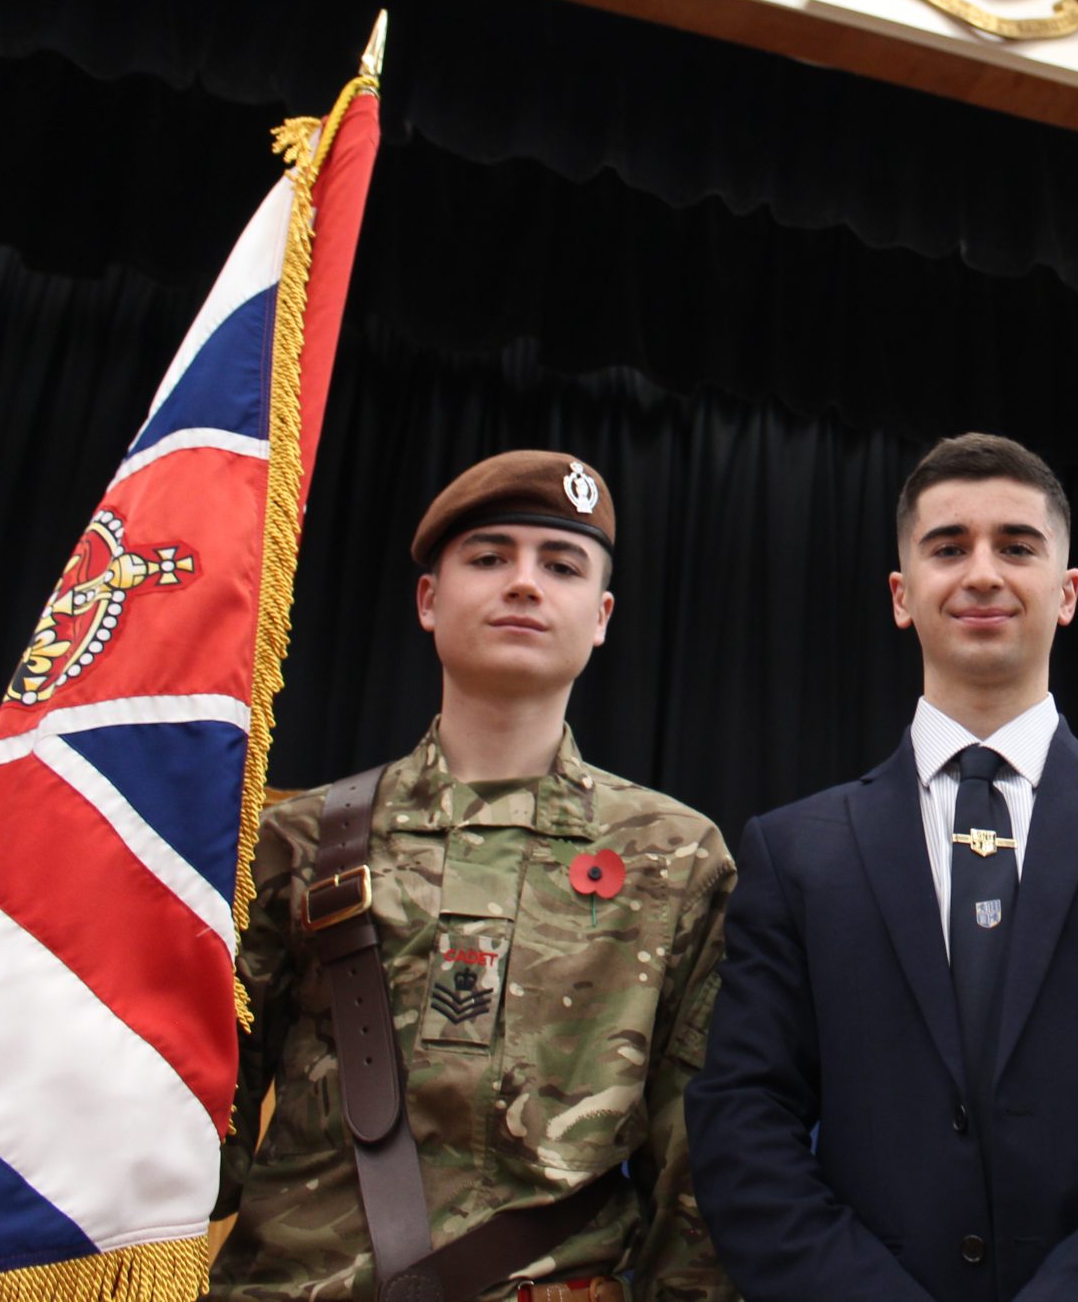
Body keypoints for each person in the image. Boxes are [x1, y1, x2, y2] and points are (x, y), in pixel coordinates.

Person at [687, 432, 1078, 1302]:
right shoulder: (795, 849)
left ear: (1067, 592)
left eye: (1018, 546)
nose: (984, 573)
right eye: (949, 547)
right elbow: (743, 1118)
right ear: (902, 594)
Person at [211, 451, 736, 1302]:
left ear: (601, 616)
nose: (524, 582)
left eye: (561, 565)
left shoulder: (675, 858)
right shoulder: (299, 840)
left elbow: (696, 1170)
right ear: (428, 599)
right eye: (490, 557)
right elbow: (199, 1131)